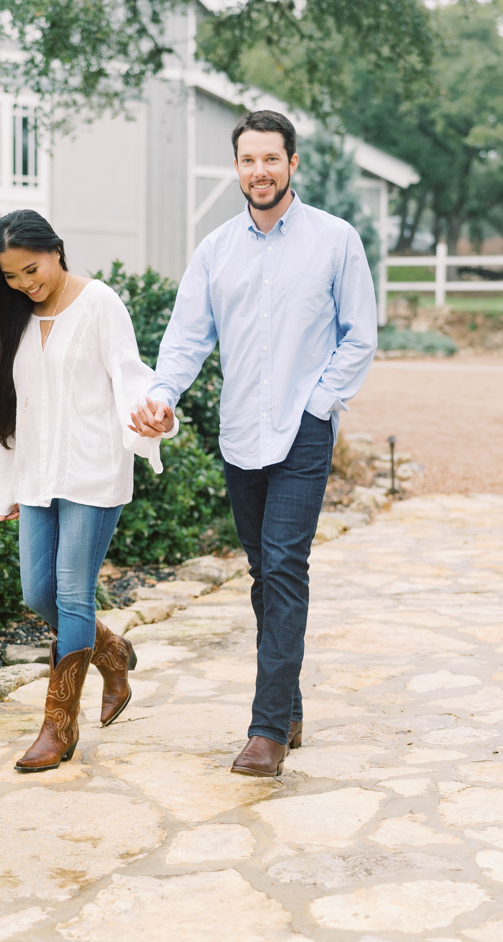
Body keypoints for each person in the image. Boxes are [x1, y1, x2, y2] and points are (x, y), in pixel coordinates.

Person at [131, 109, 378, 777]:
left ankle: (267, 730)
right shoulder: (215, 250)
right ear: (236, 167)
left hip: (302, 429)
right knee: (263, 574)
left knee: (285, 567)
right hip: (240, 432)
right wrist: (163, 395)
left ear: (293, 163)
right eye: (248, 160)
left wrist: (318, 405)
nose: (260, 171)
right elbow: (186, 339)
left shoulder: (335, 240)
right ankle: (290, 706)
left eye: (271, 158)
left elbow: (361, 333)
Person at [0, 209, 177, 773]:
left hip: (92, 470)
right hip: (37, 475)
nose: (24, 284)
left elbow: (132, 377)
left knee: (71, 594)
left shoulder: (100, 303)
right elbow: (12, 410)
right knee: (37, 594)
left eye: (31, 269)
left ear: (57, 250)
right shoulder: (12, 315)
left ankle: (59, 727)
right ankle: (112, 654)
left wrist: (154, 416)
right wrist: (10, 486)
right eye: (11, 277)